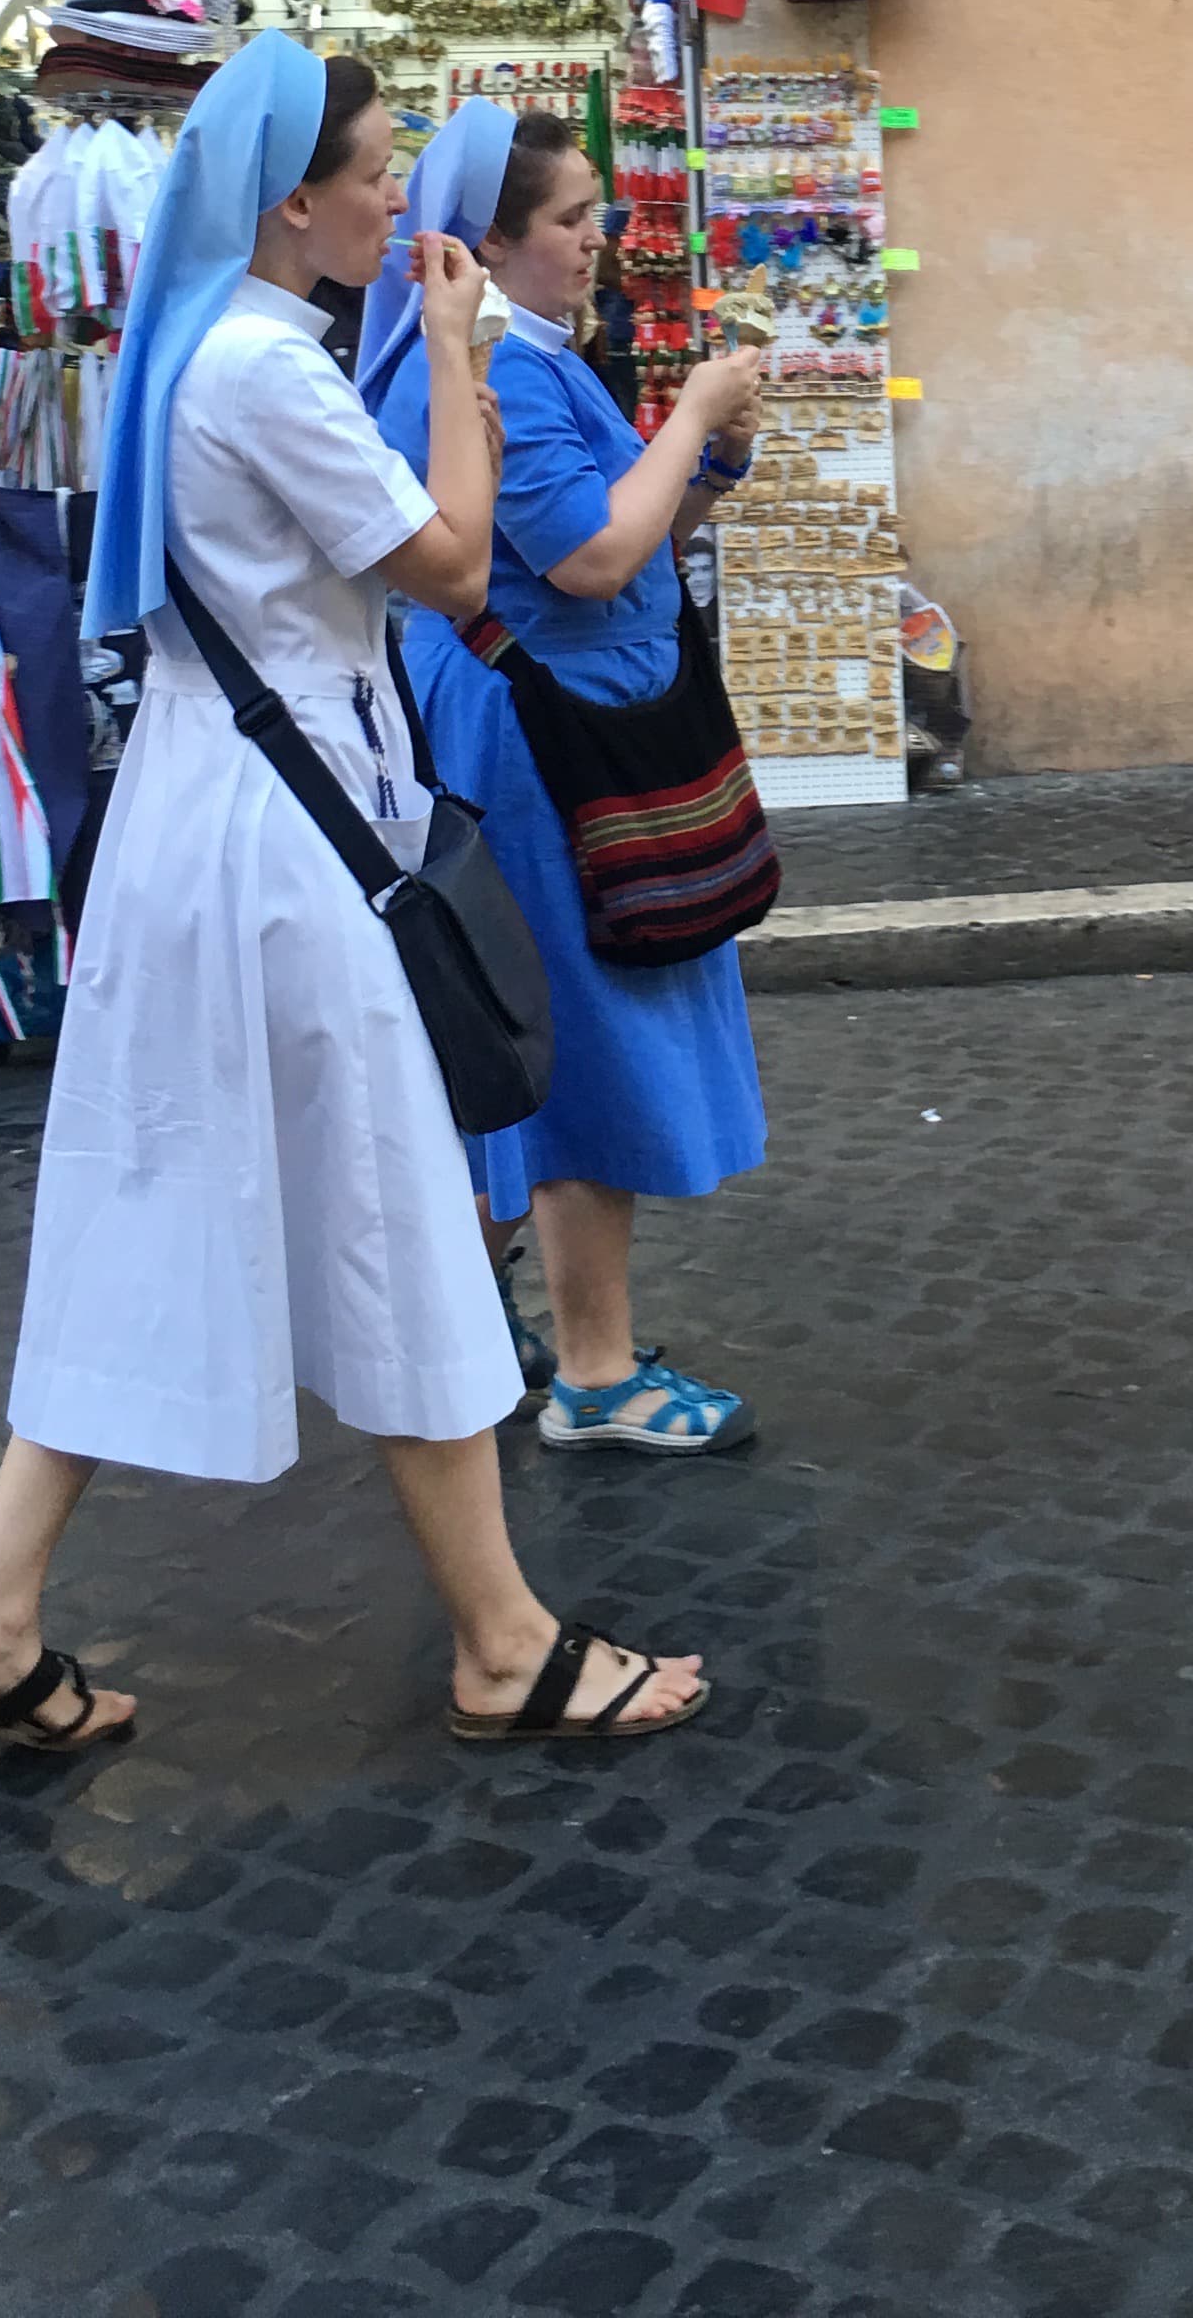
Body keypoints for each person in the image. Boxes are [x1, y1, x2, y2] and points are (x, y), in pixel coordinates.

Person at [0, 37, 705, 1753]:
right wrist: (455, 364)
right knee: (390, 1210)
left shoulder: (206, 339)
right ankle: (503, 1642)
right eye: (373, 174)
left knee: (144, 1207)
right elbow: (451, 562)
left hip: (208, 832)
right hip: (291, 852)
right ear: (292, 197)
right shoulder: (266, 362)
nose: (396, 201)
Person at [370, 106, 770, 1459]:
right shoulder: (502, 370)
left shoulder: (532, 357)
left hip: (577, 726)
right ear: (492, 240)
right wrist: (698, 413)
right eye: (571, 220)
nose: (601, 238)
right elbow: (595, 557)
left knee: (556, 1027)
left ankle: (479, 1314)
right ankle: (597, 1376)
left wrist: (707, 461)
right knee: (578, 1041)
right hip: (545, 750)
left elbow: (638, 540)